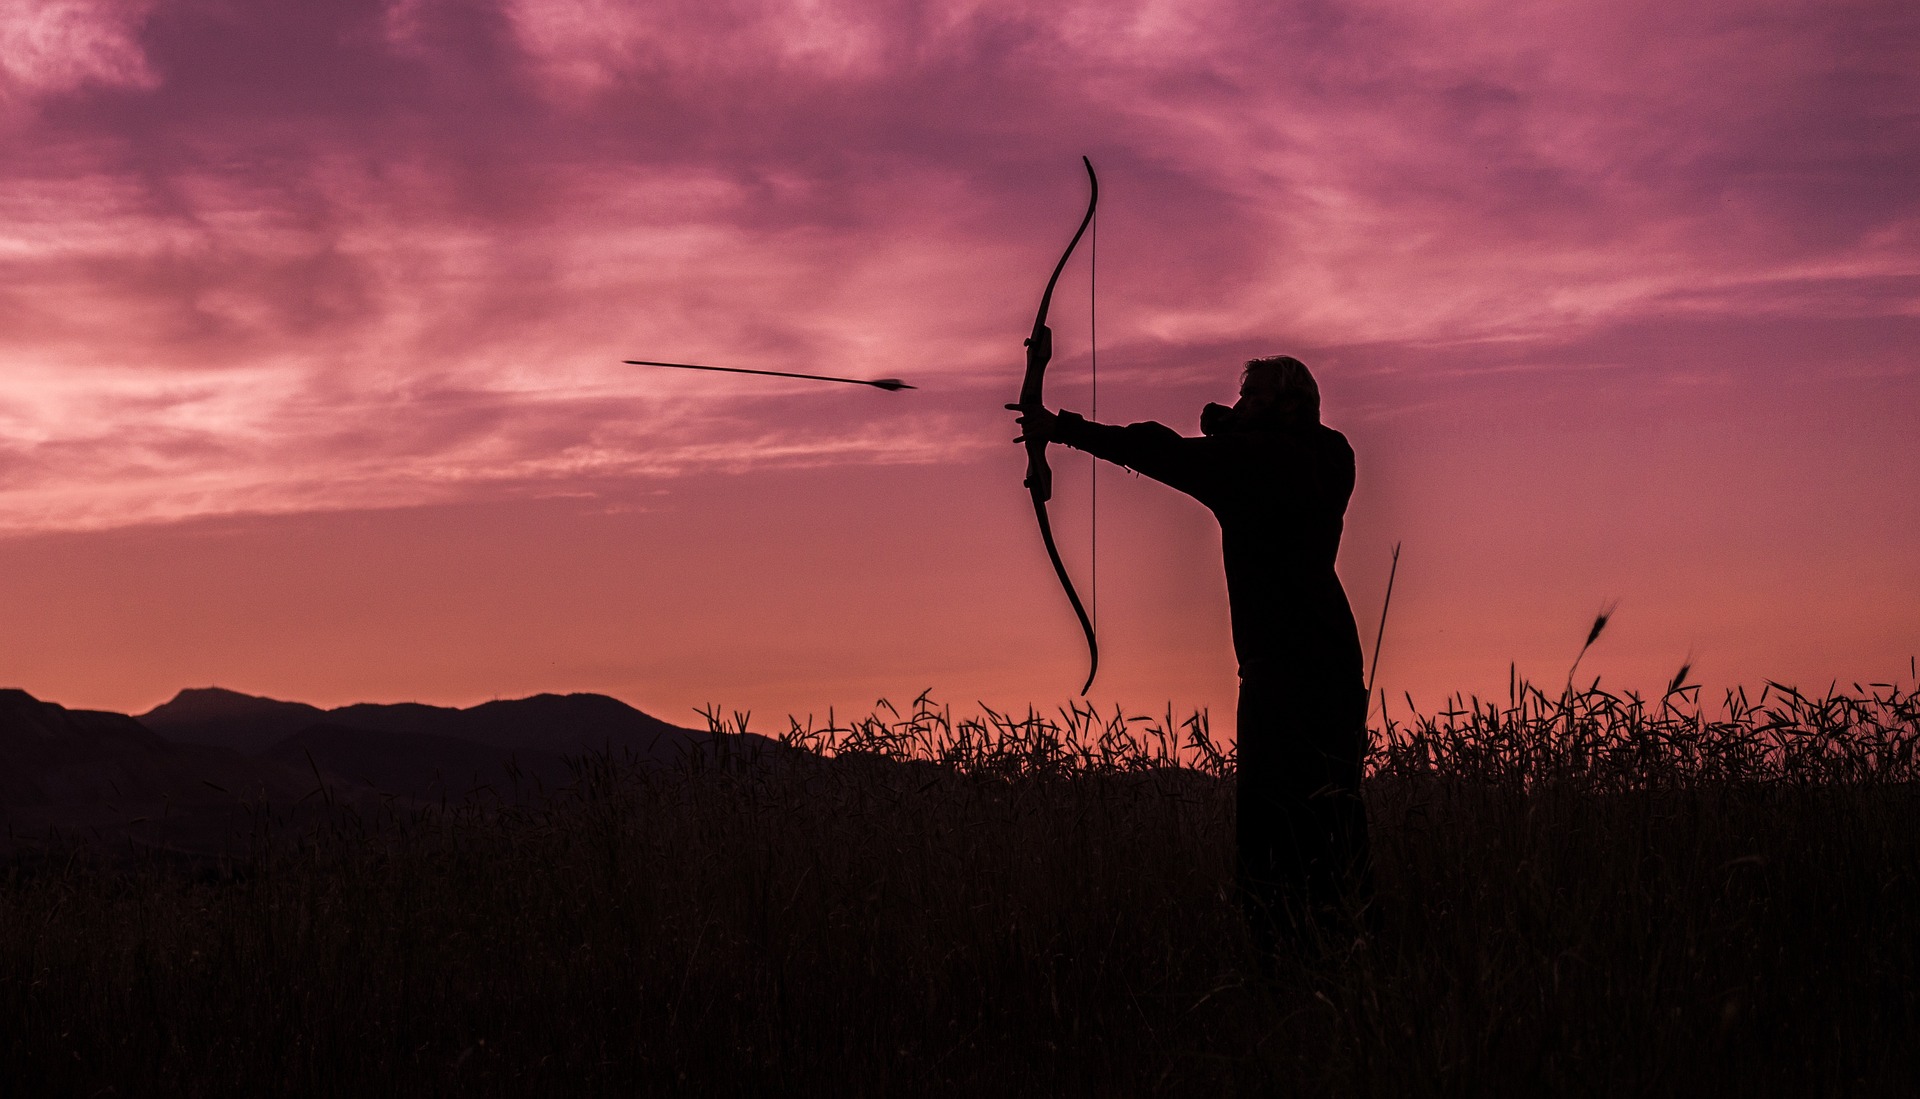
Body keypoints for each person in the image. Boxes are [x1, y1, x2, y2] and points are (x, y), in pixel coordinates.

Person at [1013, 355, 1373, 949]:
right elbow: (1264, 448)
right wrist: (1234, 427)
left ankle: (1281, 955)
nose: (1241, 405)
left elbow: (1156, 449)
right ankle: (1351, 945)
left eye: (1253, 397)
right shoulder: (1334, 456)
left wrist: (1061, 428)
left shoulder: (1244, 464)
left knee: (1270, 828)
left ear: (1286, 404)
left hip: (1278, 675)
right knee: (1336, 818)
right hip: (1336, 667)